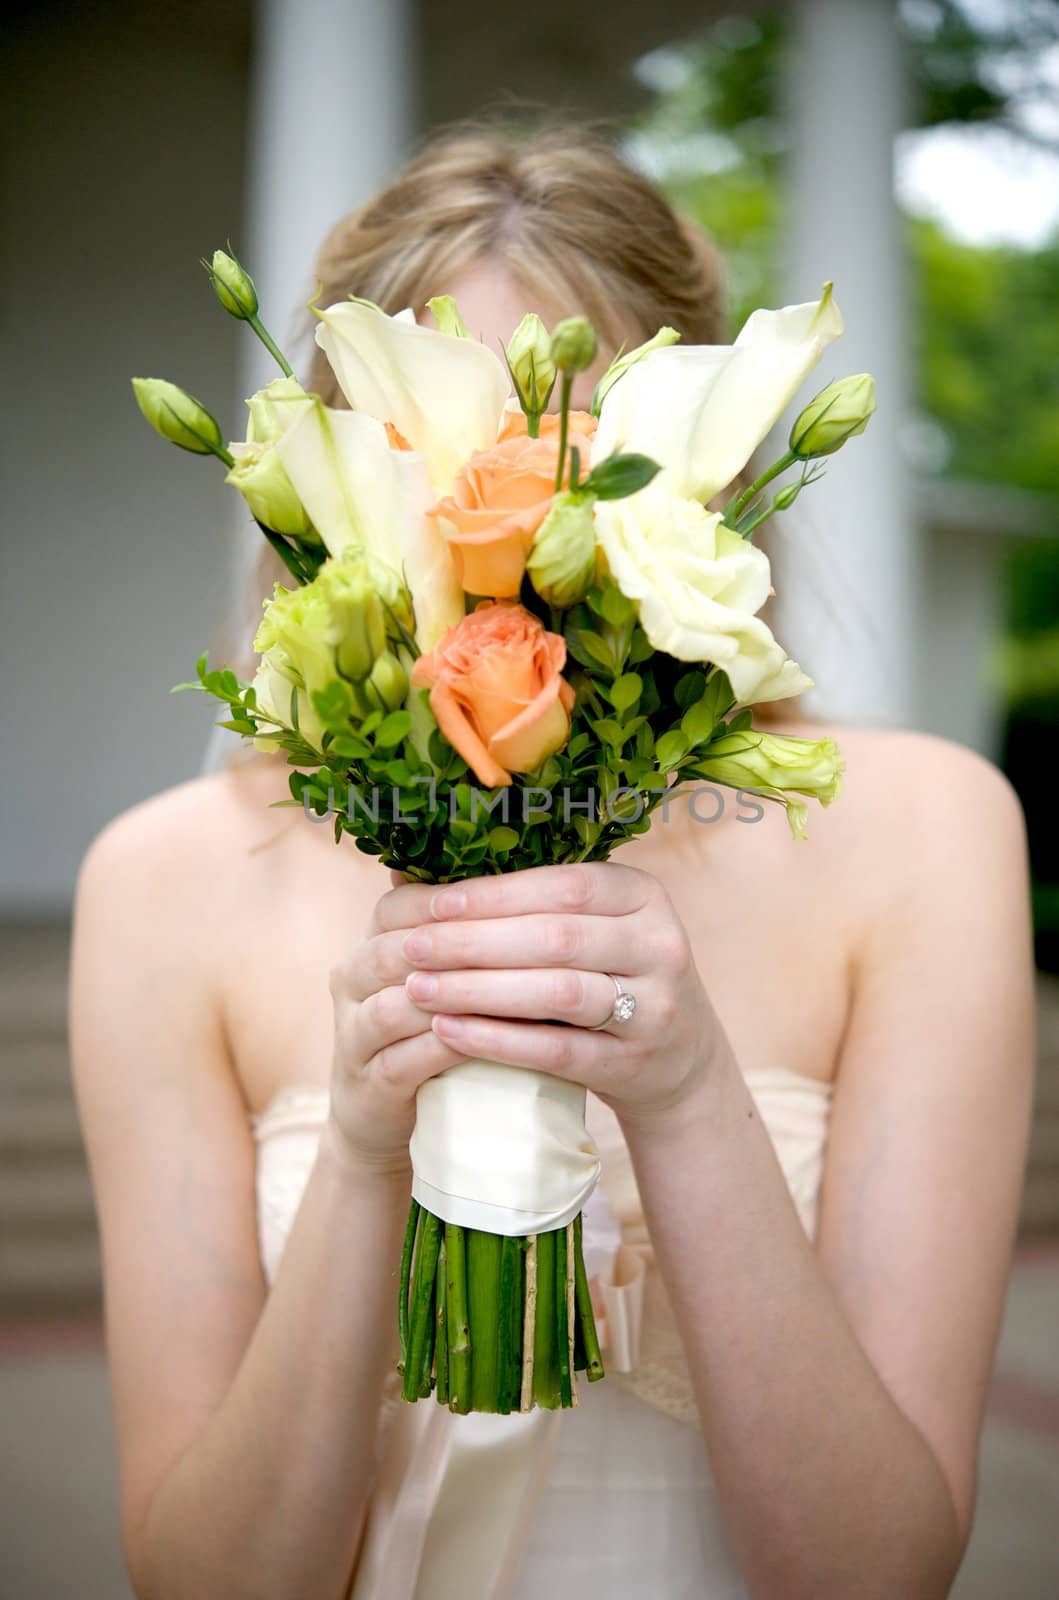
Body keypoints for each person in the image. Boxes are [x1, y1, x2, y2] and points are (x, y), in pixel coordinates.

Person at [69, 126, 1036, 1600]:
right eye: (444, 471)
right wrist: (361, 1153)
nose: (512, 545)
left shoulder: (924, 833)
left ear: (701, 484)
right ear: (330, 490)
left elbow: (880, 1573)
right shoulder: (164, 883)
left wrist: (690, 1090)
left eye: (569, 468)